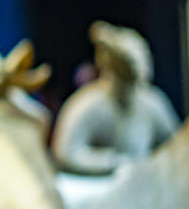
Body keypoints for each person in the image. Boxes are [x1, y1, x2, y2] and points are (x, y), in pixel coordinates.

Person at [52, 20, 180, 176]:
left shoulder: (152, 102)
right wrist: (113, 162)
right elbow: (65, 153)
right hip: (101, 190)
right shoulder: (87, 104)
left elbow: (175, 147)